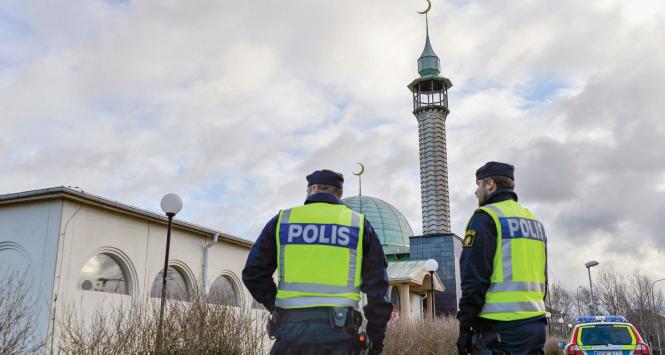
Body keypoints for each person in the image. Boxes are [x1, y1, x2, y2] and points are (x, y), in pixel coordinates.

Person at [242, 169, 392, 355]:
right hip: (341, 337)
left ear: (312, 189)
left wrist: (276, 306)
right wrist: (375, 343)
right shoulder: (358, 225)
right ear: (338, 193)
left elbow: (253, 274)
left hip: (291, 335)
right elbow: (379, 290)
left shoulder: (283, 221)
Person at [456, 162, 548, 355]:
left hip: (501, 330)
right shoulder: (534, 221)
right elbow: (543, 278)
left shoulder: (486, 218)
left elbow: (474, 278)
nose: (476, 192)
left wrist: (465, 327)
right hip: (536, 325)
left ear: (490, 184)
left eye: (478, 184)